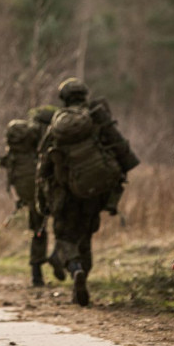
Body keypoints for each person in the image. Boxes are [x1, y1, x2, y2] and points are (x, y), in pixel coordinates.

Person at [38, 78, 138, 307]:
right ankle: (82, 277)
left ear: (63, 98)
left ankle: (75, 270)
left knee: (65, 237)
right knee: (85, 236)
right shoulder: (96, 118)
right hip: (96, 193)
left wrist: (42, 199)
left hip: (66, 193)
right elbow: (121, 152)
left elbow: (44, 165)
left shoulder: (59, 124)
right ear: (85, 95)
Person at [0, 106, 64, 286]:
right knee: (62, 221)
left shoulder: (24, 140)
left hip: (23, 184)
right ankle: (59, 256)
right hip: (44, 182)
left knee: (38, 226)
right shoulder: (48, 134)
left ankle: (36, 273)